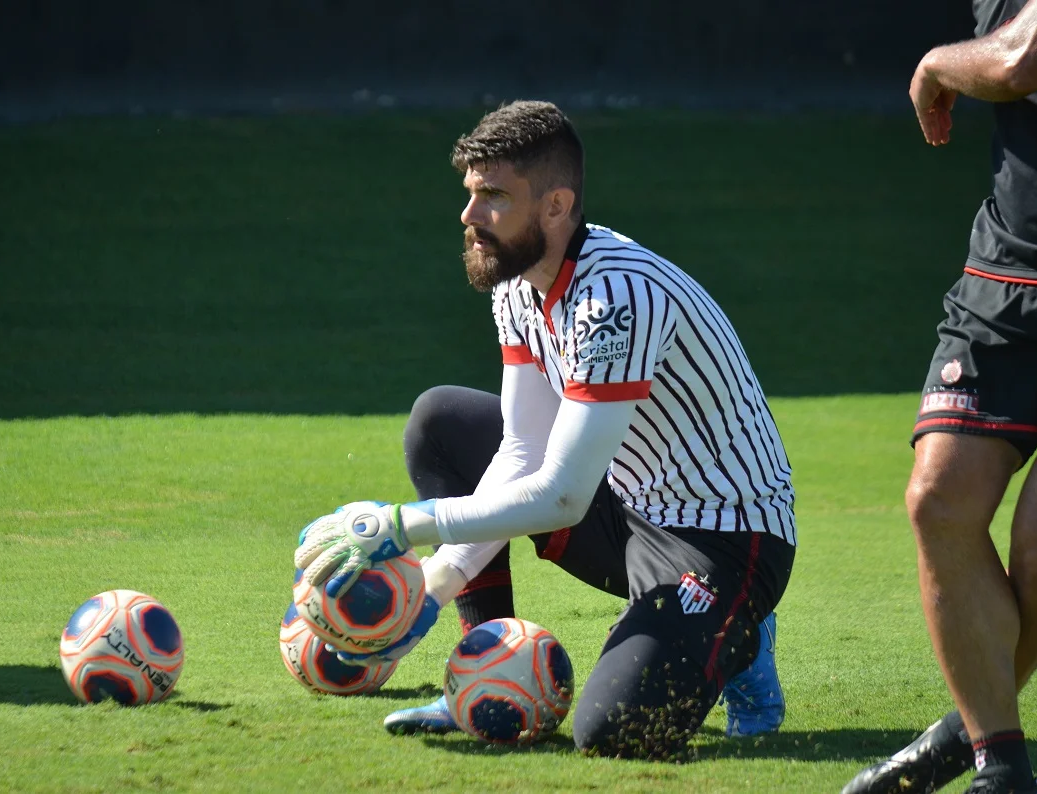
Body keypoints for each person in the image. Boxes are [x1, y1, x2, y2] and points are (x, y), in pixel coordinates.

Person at [294, 100, 796, 759]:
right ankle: (483, 670)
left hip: (726, 540)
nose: (469, 217)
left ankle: (742, 630)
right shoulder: (517, 281)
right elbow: (522, 450)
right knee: (441, 424)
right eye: (470, 194)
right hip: (623, 504)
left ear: (556, 207)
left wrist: (397, 526)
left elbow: (560, 496)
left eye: (494, 197)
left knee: (613, 732)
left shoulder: (616, 298)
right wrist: (433, 586)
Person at [842, 3, 1037, 793]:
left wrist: (933, 64)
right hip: (1007, 276)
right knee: (938, 498)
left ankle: (966, 736)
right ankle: (1000, 763)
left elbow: (1021, 60)